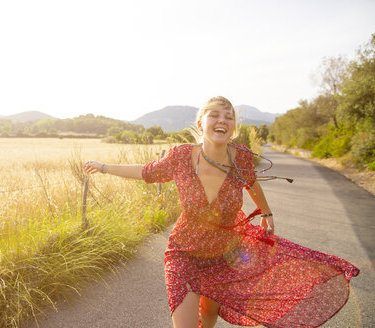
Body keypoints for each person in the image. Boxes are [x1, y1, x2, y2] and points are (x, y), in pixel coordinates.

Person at [84, 96, 359, 328]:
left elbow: (251, 184)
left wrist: (267, 212)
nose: (222, 121)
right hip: (184, 253)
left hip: (223, 255)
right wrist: (104, 166)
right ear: (201, 123)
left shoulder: (240, 156)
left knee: (208, 315)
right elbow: (145, 172)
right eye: (215, 115)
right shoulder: (180, 156)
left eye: (229, 117)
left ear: (233, 127)